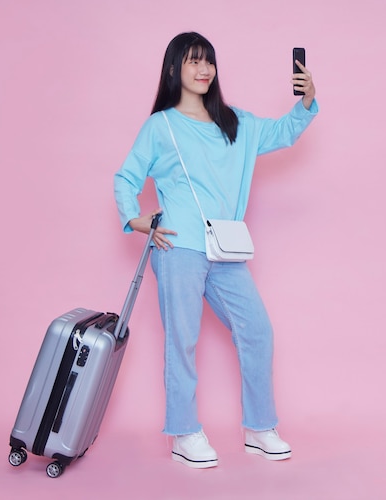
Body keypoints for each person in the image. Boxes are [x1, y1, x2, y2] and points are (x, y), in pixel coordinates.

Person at [114, 32, 317, 469]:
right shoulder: (161, 125)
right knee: (182, 342)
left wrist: (305, 102)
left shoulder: (235, 122)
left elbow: (282, 133)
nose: (203, 70)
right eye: (193, 62)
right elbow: (126, 177)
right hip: (179, 247)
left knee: (257, 331)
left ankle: (260, 428)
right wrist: (135, 218)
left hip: (225, 248)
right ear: (174, 70)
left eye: (208, 62)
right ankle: (184, 433)